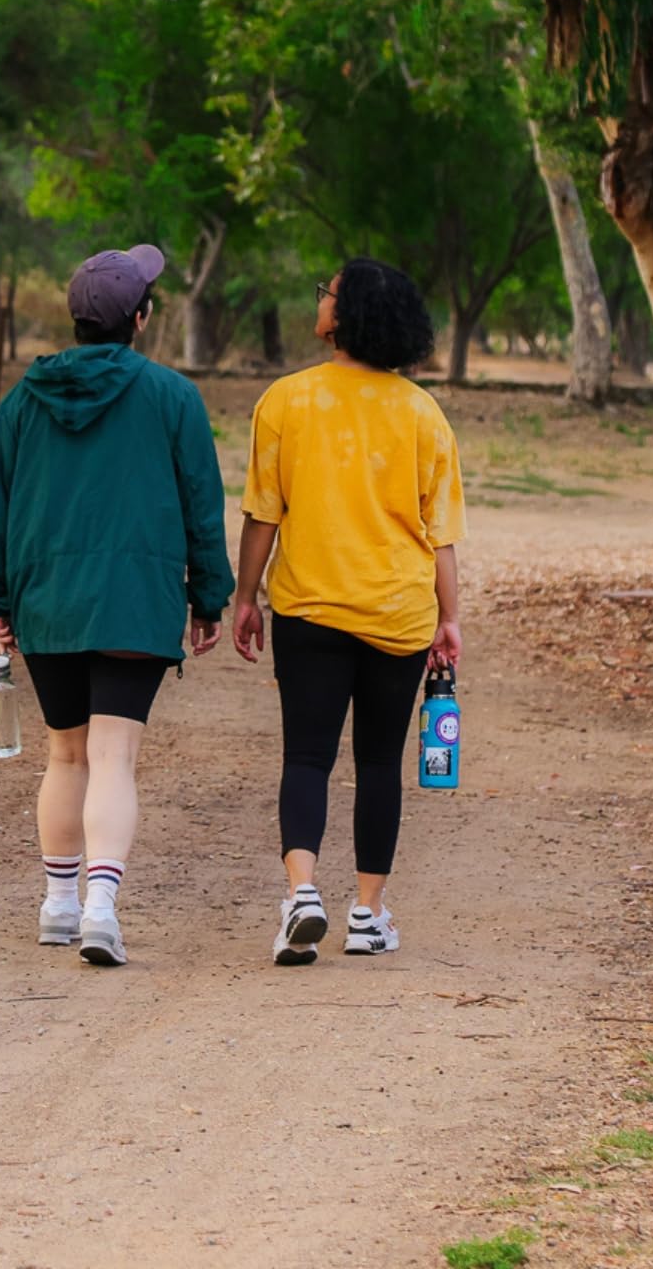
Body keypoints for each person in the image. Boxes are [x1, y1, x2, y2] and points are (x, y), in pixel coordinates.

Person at [0, 244, 233, 967]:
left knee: (66, 752)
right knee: (113, 755)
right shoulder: (173, 397)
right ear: (141, 319)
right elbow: (201, 505)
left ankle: (57, 905)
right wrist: (209, 595)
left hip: (47, 601)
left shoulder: (22, 401)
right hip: (136, 600)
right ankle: (100, 909)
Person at [231, 258, 465, 964]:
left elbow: (262, 517)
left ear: (347, 313)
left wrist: (246, 597)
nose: (320, 299)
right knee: (377, 765)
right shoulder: (423, 413)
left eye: (326, 291)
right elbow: (441, 535)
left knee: (306, 755)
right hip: (396, 613)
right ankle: (368, 912)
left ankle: (303, 891)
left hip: (310, 609)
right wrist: (448, 620)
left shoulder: (287, 400)